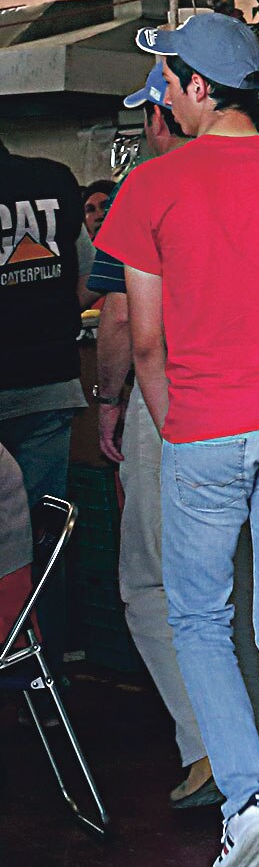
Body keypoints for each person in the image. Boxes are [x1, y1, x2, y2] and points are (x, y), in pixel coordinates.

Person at [96, 13, 259, 867]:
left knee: (199, 617)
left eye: (168, 79)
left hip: (203, 420)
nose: (164, 93)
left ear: (201, 87)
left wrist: (175, 427)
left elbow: (145, 343)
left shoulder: (152, 188)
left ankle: (248, 802)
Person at [92, 64, 259, 811]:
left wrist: (109, 397)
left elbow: (124, 319)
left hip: (178, 405)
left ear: (173, 113)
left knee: (157, 583)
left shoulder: (147, 194)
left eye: (149, 119)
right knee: (256, 584)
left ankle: (214, 753)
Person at [0, 128, 87, 667]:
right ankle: (38, 665)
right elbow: (96, 271)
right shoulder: (53, 182)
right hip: (50, 384)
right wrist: (54, 318)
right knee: (40, 540)